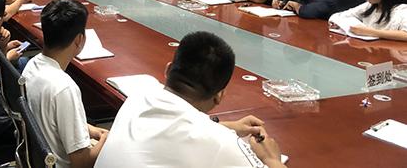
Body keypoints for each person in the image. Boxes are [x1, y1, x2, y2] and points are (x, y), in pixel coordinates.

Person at [95, 31, 286, 168]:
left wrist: (228, 127)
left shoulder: (138, 97)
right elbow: (196, 135)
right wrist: (271, 160)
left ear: (168, 69)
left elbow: (175, 128)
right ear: (219, 96)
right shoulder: (221, 144)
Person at [23, 0, 109, 168]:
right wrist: (106, 140)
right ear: (79, 40)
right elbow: (82, 163)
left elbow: (51, 120)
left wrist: (88, 129)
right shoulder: (64, 88)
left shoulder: (32, 65)